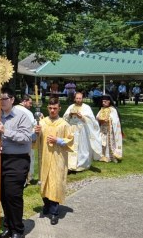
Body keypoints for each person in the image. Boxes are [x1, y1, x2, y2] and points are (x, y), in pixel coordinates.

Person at [0, 87, 34, 238]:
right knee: (3, 194)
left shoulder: (22, 117)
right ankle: (8, 225)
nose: (2, 102)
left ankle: (18, 230)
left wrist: (6, 131)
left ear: (12, 100)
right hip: (0, 159)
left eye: (5, 99)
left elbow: (26, 138)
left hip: (17, 160)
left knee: (13, 194)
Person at [33, 97, 74, 225]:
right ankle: (46, 205)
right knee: (45, 182)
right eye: (50, 108)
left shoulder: (64, 124)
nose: (52, 110)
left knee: (55, 183)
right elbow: (35, 140)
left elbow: (71, 140)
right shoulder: (42, 123)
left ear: (59, 108)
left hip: (58, 157)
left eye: (55, 108)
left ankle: (54, 212)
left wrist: (58, 140)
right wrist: (36, 133)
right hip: (45, 156)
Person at [63, 91, 102, 171]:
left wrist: (82, 117)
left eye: (80, 98)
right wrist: (70, 115)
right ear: (74, 98)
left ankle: (82, 165)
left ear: (82, 99)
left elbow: (92, 121)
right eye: (77, 98)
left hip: (82, 131)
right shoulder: (71, 107)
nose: (78, 100)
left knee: (82, 148)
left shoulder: (86, 107)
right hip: (72, 130)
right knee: (71, 147)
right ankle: (71, 165)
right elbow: (64, 118)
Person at [18, 94, 39, 184]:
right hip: (26, 140)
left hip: (14, 140)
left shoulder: (13, 109)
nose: (31, 105)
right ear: (24, 101)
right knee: (27, 159)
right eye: (30, 103)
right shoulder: (27, 112)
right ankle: (27, 179)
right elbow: (34, 125)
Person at [96, 94, 123, 162]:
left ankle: (110, 156)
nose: (103, 103)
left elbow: (115, 120)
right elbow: (97, 117)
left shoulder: (112, 109)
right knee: (102, 142)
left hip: (110, 129)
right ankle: (102, 155)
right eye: (102, 101)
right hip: (102, 129)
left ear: (109, 101)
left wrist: (109, 120)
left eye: (105, 101)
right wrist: (99, 119)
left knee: (109, 142)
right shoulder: (101, 109)